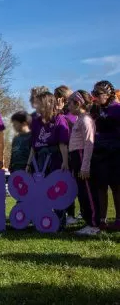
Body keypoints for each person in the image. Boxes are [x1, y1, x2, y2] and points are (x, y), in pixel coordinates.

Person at [26, 92, 70, 229]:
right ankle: (43, 220)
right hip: (39, 159)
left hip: (54, 157)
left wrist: (65, 161)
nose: (36, 106)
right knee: (41, 190)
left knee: (56, 190)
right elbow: (33, 145)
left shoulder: (59, 119)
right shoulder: (36, 122)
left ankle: (59, 222)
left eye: (39, 103)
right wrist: (28, 163)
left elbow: (63, 143)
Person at [67, 91, 99, 235]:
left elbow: (88, 144)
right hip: (75, 157)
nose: (68, 106)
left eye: (70, 103)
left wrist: (85, 166)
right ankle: (88, 222)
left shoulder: (86, 120)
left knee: (87, 192)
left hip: (81, 157)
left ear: (78, 104)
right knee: (81, 192)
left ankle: (93, 224)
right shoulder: (78, 119)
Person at [90, 80, 120, 229]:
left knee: (116, 187)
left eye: (97, 93)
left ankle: (119, 220)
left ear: (108, 94)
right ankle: (102, 220)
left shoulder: (117, 109)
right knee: (101, 186)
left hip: (115, 152)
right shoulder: (96, 110)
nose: (94, 96)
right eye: (93, 93)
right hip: (99, 152)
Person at [54, 85, 78, 223]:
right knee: (65, 184)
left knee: (72, 184)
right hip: (63, 152)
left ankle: (72, 214)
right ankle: (68, 213)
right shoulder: (59, 114)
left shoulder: (71, 114)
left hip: (73, 152)